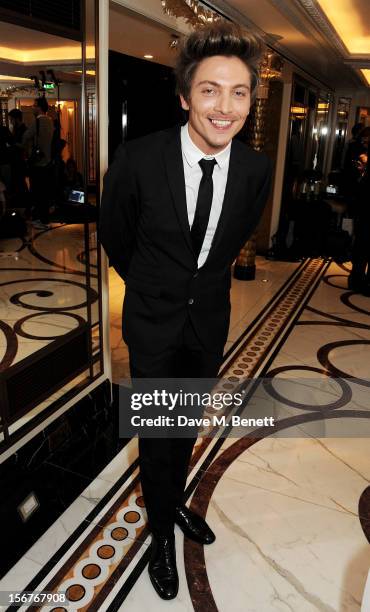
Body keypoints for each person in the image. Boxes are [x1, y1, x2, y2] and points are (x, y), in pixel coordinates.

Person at [99, 22, 272, 600]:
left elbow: (231, 239)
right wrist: (150, 286)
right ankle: (160, 539)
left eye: (239, 92)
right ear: (184, 96)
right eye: (210, 90)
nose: (225, 107)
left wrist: (197, 288)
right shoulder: (139, 159)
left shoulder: (253, 170)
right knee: (156, 433)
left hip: (210, 322)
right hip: (151, 322)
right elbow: (116, 235)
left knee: (184, 426)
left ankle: (172, 505)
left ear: (250, 99)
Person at [23, 96, 54, 230]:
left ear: (39, 107)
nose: (32, 107)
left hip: (37, 162)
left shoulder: (37, 122)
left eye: (34, 105)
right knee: (44, 192)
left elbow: (26, 136)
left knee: (37, 192)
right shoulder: (50, 121)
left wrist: (26, 148)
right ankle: (44, 219)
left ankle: (40, 220)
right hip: (47, 161)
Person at [348, 126, 370, 294]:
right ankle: (357, 280)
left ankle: (359, 281)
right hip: (363, 209)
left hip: (365, 208)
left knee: (362, 245)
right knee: (361, 245)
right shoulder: (362, 155)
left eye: (366, 141)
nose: (364, 144)